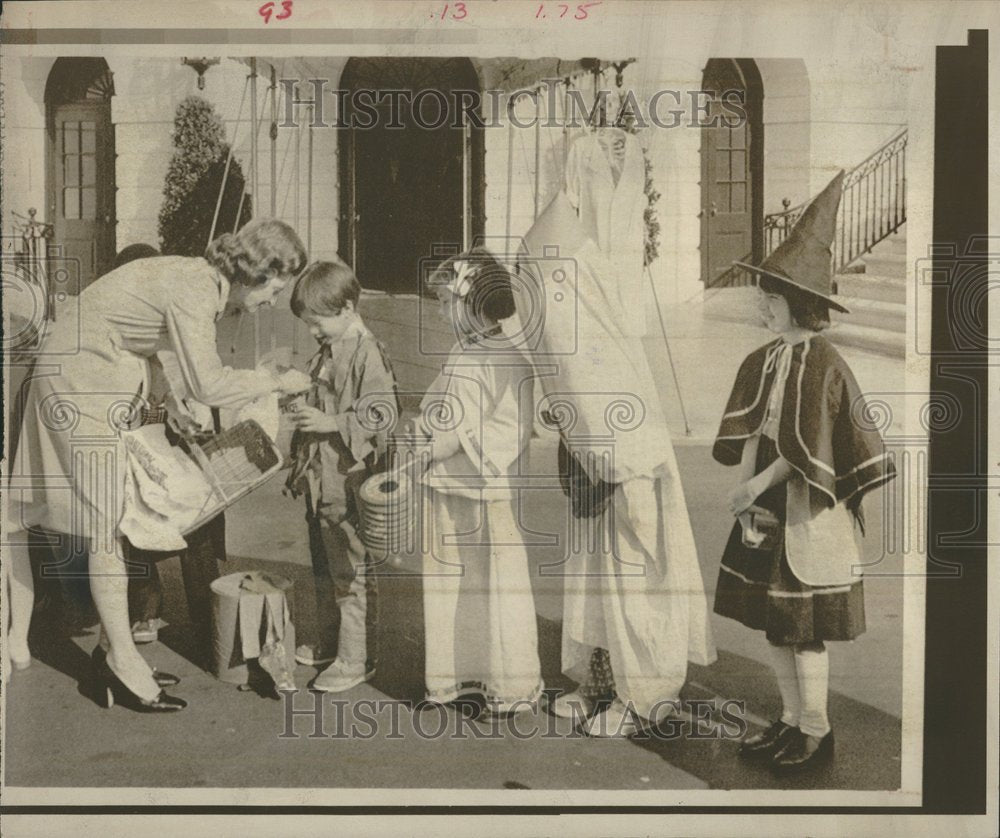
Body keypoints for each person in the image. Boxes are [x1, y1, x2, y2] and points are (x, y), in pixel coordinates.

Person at [4, 218, 312, 710]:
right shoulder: (195, 287)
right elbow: (208, 384)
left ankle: (112, 654)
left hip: (96, 376)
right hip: (81, 386)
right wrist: (274, 382)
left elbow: (153, 342)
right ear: (257, 270)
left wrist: (170, 404)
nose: (273, 299)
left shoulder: (195, 279)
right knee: (107, 524)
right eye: (275, 285)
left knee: (118, 519)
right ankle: (120, 662)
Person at [712, 171, 897, 773]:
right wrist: (744, 487)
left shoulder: (823, 362)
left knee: (803, 626)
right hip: (766, 505)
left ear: (801, 302)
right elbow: (756, 430)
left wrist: (753, 486)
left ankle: (817, 732)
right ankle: (788, 722)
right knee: (774, 624)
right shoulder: (768, 357)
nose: (761, 304)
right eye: (763, 295)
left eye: (771, 297)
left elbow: (806, 448)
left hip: (807, 507)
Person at [518, 185, 715, 737]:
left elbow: (625, 416)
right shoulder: (563, 328)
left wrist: (619, 471)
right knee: (593, 584)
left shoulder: (598, 333)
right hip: (591, 477)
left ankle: (645, 694)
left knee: (634, 587)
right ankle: (600, 678)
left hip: (629, 480)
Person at [409, 248, 543, 714]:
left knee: (494, 584)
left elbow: (513, 424)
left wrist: (451, 442)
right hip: (447, 483)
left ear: (476, 303)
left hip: (484, 488)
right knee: (451, 581)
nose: (443, 313)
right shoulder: (462, 352)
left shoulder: (508, 359)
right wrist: (425, 425)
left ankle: (507, 683)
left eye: (449, 303)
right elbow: (440, 402)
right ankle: (452, 676)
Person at [284, 260, 399, 692]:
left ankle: (356, 657)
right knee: (325, 567)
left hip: (348, 481)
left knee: (351, 572)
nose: (313, 331)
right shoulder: (331, 349)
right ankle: (332, 642)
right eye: (308, 323)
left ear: (348, 307)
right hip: (322, 481)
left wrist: (329, 423)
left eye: (318, 322)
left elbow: (382, 414)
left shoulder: (368, 352)